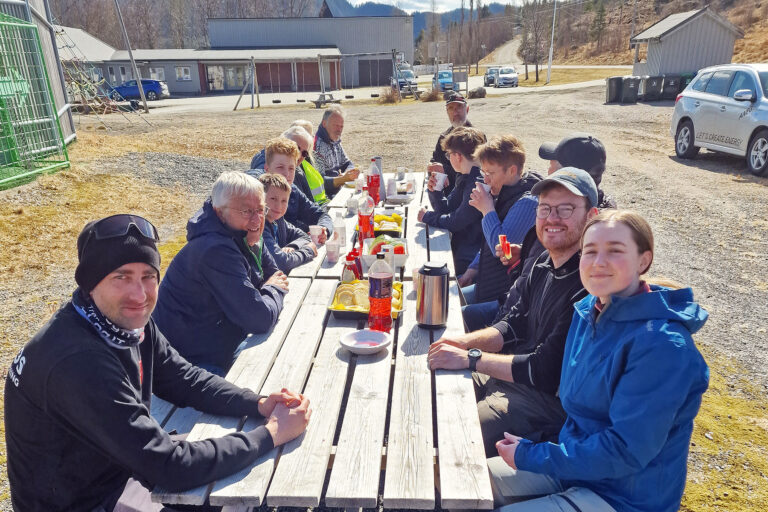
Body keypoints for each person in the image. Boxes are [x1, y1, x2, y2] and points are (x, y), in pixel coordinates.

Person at [4, 214, 311, 511]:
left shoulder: (122, 322)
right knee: (236, 490)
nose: (139, 294)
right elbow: (170, 465)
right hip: (86, 500)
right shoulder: (77, 360)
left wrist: (257, 403)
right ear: (91, 283)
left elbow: (183, 379)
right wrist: (271, 433)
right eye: (121, 277)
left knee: (238, 481)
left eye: (148, 277)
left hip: (117, 466)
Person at [488, 210, 709, 512]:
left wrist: (532, 455)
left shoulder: (662, 345)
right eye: (590, 251)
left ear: (643, 261)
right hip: (575, 470)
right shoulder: (587, 312)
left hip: (624, 498)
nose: (599, 262)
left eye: (615, 251)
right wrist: (539, 454)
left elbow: (625, 451)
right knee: (462, 479)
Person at [427, 168, 599, 456]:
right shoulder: (544, 263)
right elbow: (513, 324)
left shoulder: (590, 285)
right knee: (431, 383)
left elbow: (544, 371)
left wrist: (471, 358)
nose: (552, 218)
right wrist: (460, 343)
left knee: (451, 433)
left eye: (565, 209)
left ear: (592, 216)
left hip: (543, 401)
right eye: (545, 208)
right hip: (510, 375)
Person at [153, 172, 289, 375]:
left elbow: (275, 273)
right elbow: (259, 317)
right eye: (246, 211)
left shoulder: (244, 234)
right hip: (187, 365)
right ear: (219, 213)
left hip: (216, 347)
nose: (257, 219)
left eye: (261, 210)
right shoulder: (215, 249)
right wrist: (272, 288)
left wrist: (269, 288)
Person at [459, 135, 540, 331]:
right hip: (485, 282)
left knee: (455, 315)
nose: (485, 179)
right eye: (483, 172)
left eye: (491, 173)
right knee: (448, 295)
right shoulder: (503, 194)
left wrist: (487, 210)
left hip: (503, 296)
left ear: (512, 170)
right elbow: (488, 243)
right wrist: (472, 269)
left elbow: (502, 248)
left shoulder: (527, 202)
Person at [418, 126, 486, 275]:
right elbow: (446, 209)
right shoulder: (466, 175)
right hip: (461, 247)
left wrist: (427, 217)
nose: (448, 159)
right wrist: (435, 190)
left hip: (469, 259)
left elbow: (456, 221)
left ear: (458, 156)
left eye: (449, 155)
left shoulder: (477, 183)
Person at [249, 137, 333, 239]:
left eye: (291, 168)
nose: (286, 174)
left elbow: (320, 215)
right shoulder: (259, 197)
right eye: (280, 167)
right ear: (267, 169)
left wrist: (324, 229)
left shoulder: (292, 190)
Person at [259, 173, 318, 274]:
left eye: (284, 201)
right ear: (261, 198)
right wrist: (308, 251)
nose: (278, 206)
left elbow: (304, 236)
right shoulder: (259, 226)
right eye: (273, 199)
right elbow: (282, 263)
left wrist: (293, 246)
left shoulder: (278, 220)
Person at [538, 133, 616, 209]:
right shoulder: (607, 208)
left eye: (551, 165)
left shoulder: (548, 210)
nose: (548, 171)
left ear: (565, 174)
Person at [428, 91, 473, 195]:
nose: (455, 112)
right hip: (447, 195)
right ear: (447, 112)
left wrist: (445, 169)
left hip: (471, 195)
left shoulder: (477, 138)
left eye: (459, 107)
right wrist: (432, 167)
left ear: (467, 109)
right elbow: (433, 162)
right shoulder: (443, 137)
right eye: (451, 108)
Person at [313, 105, 360, 188]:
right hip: (327, 194)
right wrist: (342, 179)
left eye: (341, 126)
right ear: (324, 123)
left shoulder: (335, 140)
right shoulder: (316, 147)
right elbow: (319, 182)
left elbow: (347, 163)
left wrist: (349, 173)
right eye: (335, 125)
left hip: (339, 188)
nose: (339, 130)